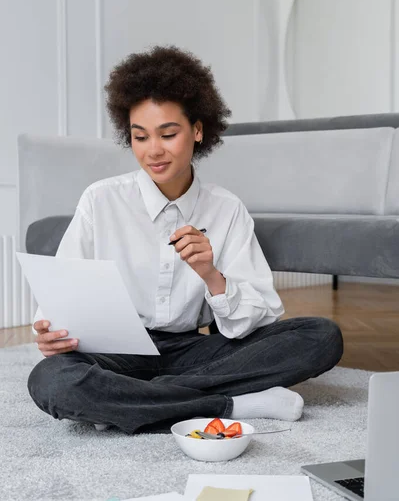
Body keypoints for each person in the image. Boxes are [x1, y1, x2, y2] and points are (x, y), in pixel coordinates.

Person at [28, 46, 343, 434]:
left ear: (197, 130)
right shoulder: (101, 200)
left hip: (198, 351)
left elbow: (258, 317)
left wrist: (212, 275)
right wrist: (50, 332)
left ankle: (129, 401)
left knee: (321, 337)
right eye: (140, 137)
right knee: (51, 379)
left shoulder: (226, 210)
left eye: (168, 133)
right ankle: (231, 404)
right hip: (120, 353)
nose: (153, 150)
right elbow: (61, 298)